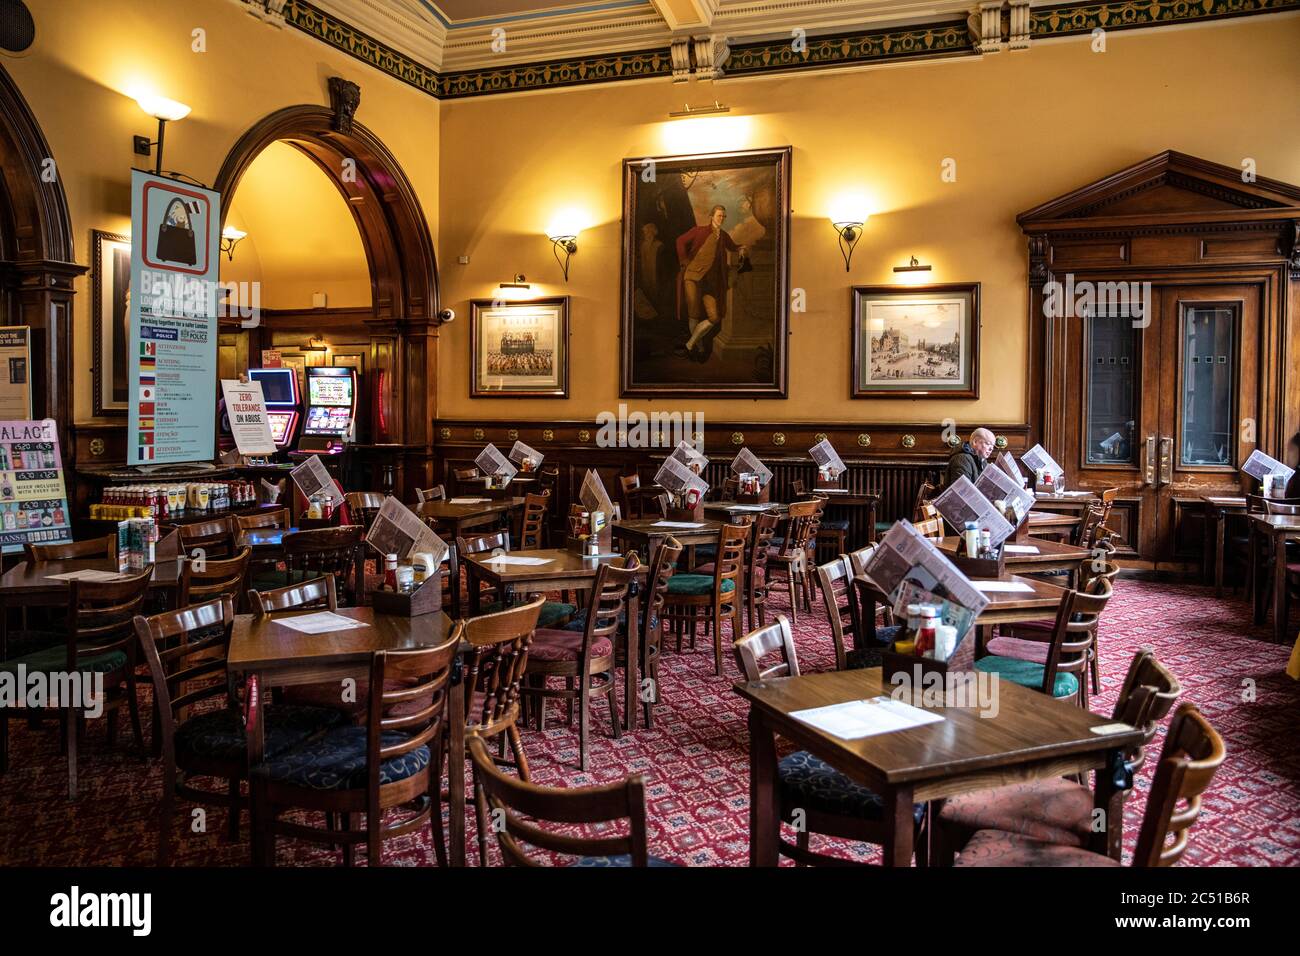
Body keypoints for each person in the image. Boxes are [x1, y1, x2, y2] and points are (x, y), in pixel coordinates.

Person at [674, 205, 748, 362]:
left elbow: (733, 247)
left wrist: (741, 248)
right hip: (692, 276)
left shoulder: (724, 236)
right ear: (712, 216)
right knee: (694, 314)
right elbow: (680, 241)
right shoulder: (699, 231)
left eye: (723, 216)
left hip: (709, 281)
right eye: (719, 215)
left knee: (715, 317)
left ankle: (689, 345)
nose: (721, 219)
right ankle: (699, 349)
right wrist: (684, 260)